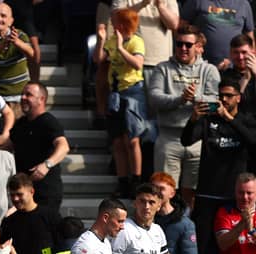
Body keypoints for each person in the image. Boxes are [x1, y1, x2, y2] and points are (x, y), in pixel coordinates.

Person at [181, 76, 256, 254]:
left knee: (236, 245)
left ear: (238, 98)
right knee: (204, 246)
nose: (224, 99)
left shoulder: (246, 119)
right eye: (221, 95)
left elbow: (252, 141)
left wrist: (229, 119)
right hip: (207, 194)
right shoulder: (208, 118)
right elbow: (186, 140)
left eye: (229, 96)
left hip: (234, 196)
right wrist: (193, 119)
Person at [149, 25, 220, 211]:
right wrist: (180, 99)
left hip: (197, 139)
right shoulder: (162, 68)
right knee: (162, 191)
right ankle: (163, 230)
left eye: (188, 44)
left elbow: (217, 103)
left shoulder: (209, 70)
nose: (183, 48)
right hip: (168, 137)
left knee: (193, 192)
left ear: (198, 46)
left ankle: (188, 228)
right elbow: (154, 98)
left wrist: (195, 98)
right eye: (179, 44)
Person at [94, 8, 149, 198]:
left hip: (133, 92)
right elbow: (98, 59)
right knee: (117, 141)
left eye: (115, 22)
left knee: (132, 139)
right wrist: (101, 40)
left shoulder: (136, 41)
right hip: (115, 93)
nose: (112, 25)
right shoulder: (112, 40)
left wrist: (121, 48)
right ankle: (122, 181)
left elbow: (137, 64)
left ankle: (136, 180)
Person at [9, 81, 70, 212]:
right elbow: (9, 144)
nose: (23, 98)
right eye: (22, 94)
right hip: (23, 192)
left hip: (45, 193)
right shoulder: (21, 124)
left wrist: (47, 165)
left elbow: (63, 146)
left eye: (28, 95)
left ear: (41, 99)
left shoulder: (48, 121)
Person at [1, 173, 62, 254]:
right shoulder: (8, 222)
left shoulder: (51, 216)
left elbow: (61, 249)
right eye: (12, 195)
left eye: (19, 194)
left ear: (32, 191)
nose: (16, 199)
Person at [150, 172, 198, 254]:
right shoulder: (142, 222)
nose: (157, 193)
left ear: (172, 193)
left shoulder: (185, 224)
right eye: (154, 189)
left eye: (162, 189)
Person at [111, 0, 180, 83]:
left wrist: (161, 6)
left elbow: (174, 24)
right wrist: (142, 4)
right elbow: (116, 20)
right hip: (130, 63)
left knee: (157, 96)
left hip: (160, 62)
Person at [214, 172, 256, 254]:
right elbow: (223, 244)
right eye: (241, 192)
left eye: (249, 193)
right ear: (234, 192)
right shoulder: (225, 212)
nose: (245, 197)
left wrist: (251, 230)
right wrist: (242, 224)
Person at [181, 0, 254, 68]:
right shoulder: (197, 1)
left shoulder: (243, 4)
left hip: (235, 68)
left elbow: (249, 37)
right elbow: (182, 28)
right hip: (201, 67)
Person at [223, 33, 256, 114]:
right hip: (234, 122)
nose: (240, 57)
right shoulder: (225, 75)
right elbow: (228, 106)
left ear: (253, 52)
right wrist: (245, 79)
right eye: (236, 52)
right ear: (230, 54)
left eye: (244, 52)